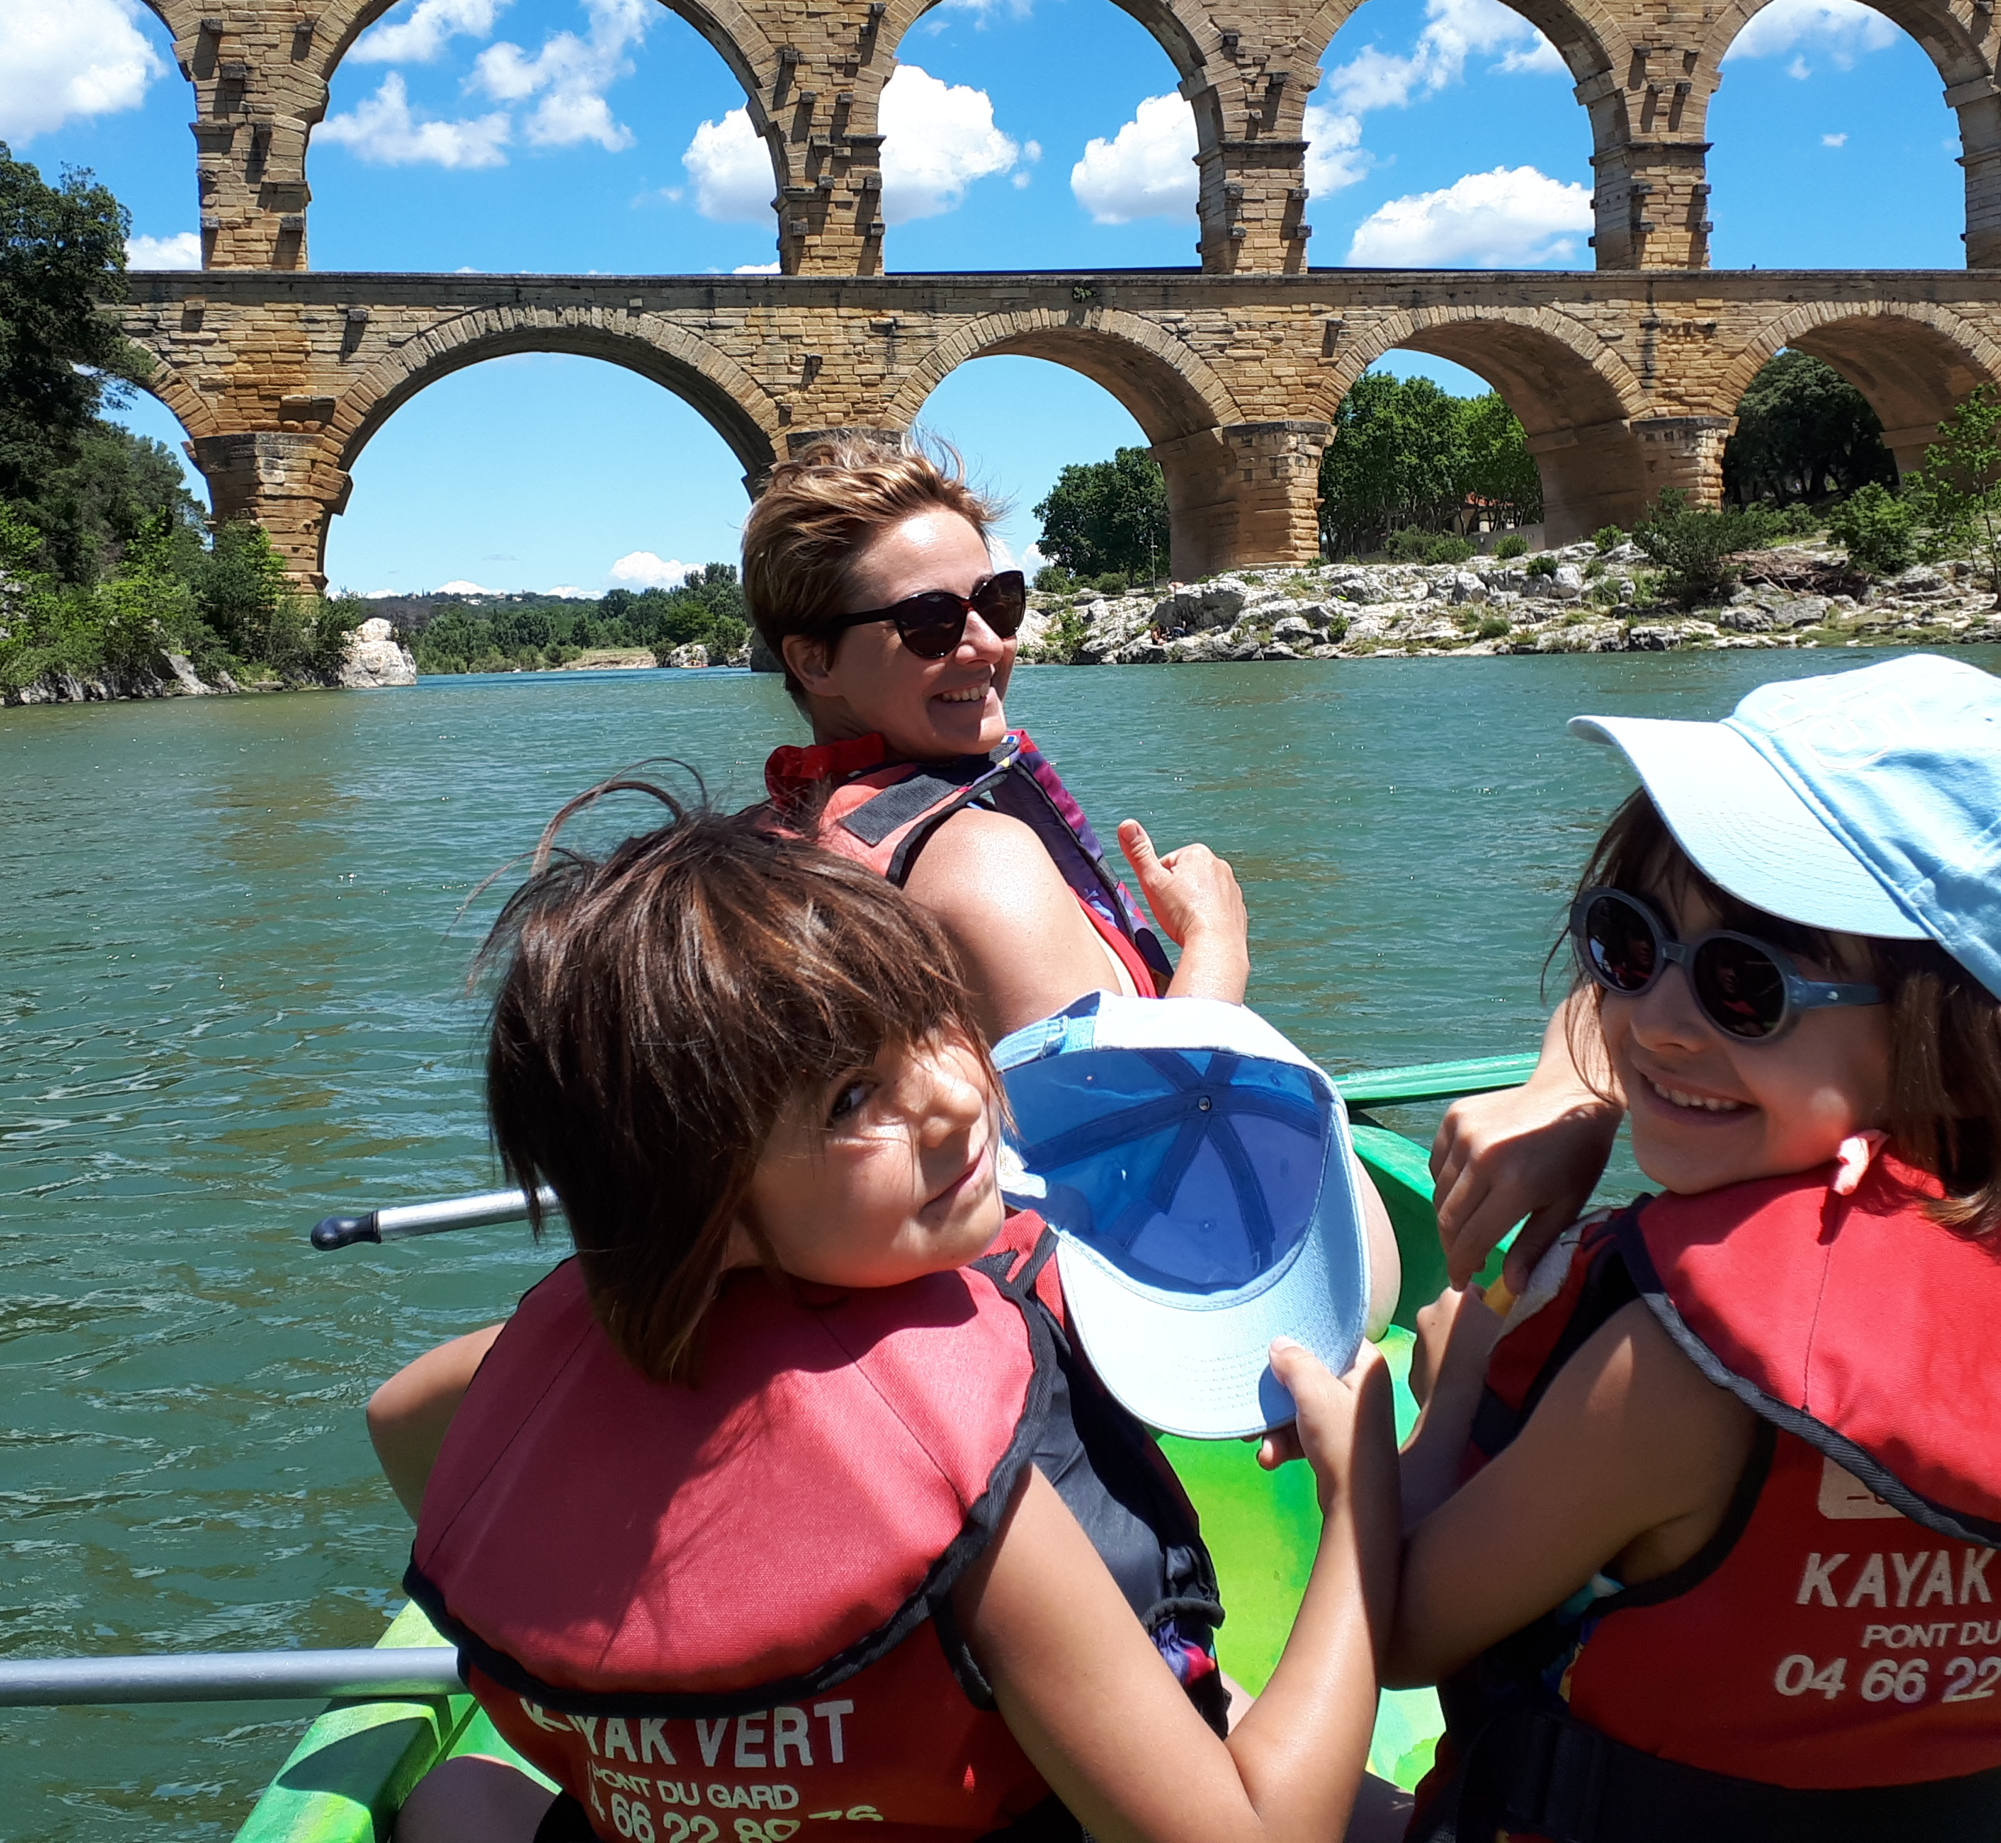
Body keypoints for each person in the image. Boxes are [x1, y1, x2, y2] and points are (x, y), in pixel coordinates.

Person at [368, 791, 1399, 1843]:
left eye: (931, 1023)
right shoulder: (960, 1467)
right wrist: (1359, 1504)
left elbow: (397, 1419)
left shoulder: (540, 1367)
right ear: (698, 1203)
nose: (954, 1098)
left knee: (458, 1800)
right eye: (852, 1099)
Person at [1387, 656, 2001, 1843]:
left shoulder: (1675, 1376)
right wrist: (1576, 1100)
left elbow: (1401, 1629)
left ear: (1978, 1044)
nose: (1659, 1021)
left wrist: (1463, 1356)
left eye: (1749, 984)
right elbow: (1619, 1026)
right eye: (1625, 940)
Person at [740, 441, 1247, 1034]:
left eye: (997, 601)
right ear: (815, 662)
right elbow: (1128, 1117)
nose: (990, 642)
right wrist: (1216, 943)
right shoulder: (980, 859)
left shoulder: (754, 850)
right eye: (929, 619)